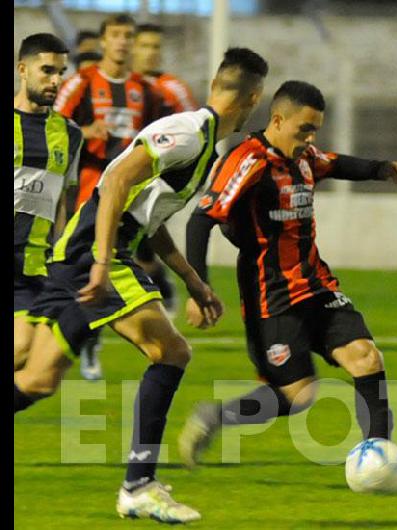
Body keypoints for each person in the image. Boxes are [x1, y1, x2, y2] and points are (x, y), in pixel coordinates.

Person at [14, 47, 269, 523]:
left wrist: (192, 280)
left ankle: (139, 485)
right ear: (252, 98)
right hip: (97, 250)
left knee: (37, 379)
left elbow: (148, 215)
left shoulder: (201, 138)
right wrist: (103, 262)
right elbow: (113, 187)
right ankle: (138, 485)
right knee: (172, 352)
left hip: (90, 249)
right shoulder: (189, 135)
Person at [176, 80, 397, 469]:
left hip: (318, 286)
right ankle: (215, 417)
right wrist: (198, 288)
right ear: (277, 120)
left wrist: (380, 169)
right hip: (271, 299)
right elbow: (202, 219)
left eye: (315, 129)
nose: (311, 138)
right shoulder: (248, 160)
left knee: (367, 359)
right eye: (304, 129)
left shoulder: (304, 158)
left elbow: (335, 163)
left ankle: (379, 462)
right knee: (298, 397)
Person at [55, 13, 163, 380]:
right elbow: (52, 128)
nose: (122, 42)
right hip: (84, 196)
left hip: (125, 202)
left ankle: (88, 347)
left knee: (100, 273)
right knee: (75, 272)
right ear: (103, 41)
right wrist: (87, 131)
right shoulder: (80, 83)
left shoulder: (145, 92)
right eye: (115, 35)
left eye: (128, 36)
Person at [14, 33, 83, 371]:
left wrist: (61, 252)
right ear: (22, 69)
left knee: (23, 350)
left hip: (30, 267)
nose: (55, 81)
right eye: (46, 71)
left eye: (61, 72)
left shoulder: (70, 134)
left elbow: (62, 201)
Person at [130, 22, 201, 316]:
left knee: (142, 236)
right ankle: (158, 282)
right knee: (137, 241)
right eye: (145, 45)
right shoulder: (118, 85)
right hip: (120, 175)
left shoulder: (173, 89)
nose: (151, 53)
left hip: (158, 179)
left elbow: (197, 131)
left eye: (156, 46)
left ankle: (155, 287)